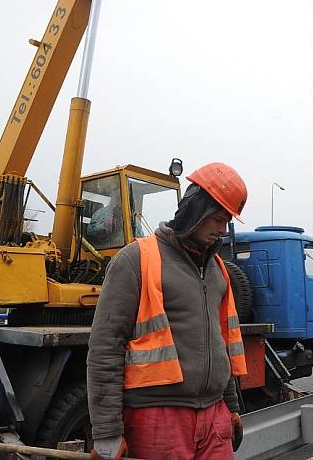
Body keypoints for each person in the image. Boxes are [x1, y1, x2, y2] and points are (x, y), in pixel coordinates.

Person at [87, 162, 248, 459]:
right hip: (158, 417)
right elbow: (105, 349)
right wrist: (107, 432)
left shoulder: (218, 271)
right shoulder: (136, 260)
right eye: (217, 219)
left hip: (214, 416)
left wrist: (232, 406)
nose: (222, 230)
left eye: (227, 221)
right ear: (195, 210)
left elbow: (220, 342)